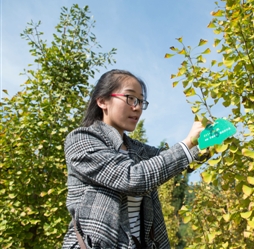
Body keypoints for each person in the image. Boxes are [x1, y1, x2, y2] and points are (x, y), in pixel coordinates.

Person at [62, 69, 208, 249]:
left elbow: (174, 161)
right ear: (102, 101)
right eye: (130, 98)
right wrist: (188, 143)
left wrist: (207, 141)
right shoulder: (81, 140)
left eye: (140, 101)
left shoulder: (137, 149)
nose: (137, 107)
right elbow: (131, 178)